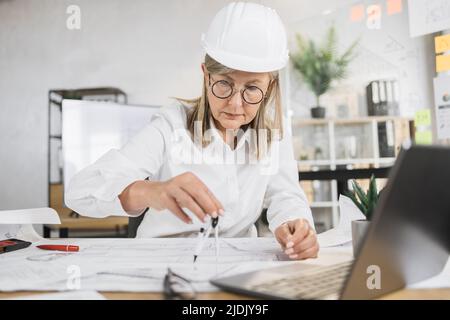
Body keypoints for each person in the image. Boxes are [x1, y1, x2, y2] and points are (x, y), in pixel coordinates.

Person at [65, 2, 319, 260]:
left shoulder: (272, 135)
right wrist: (153, 192)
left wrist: (294, 226)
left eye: (252, 89)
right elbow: (79, 193)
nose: (235, 103)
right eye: (223, 84)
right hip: (159, 264)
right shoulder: (172, 125)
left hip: (235, 264)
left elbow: (286, 195)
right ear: (205, 75)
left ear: (270, 87)